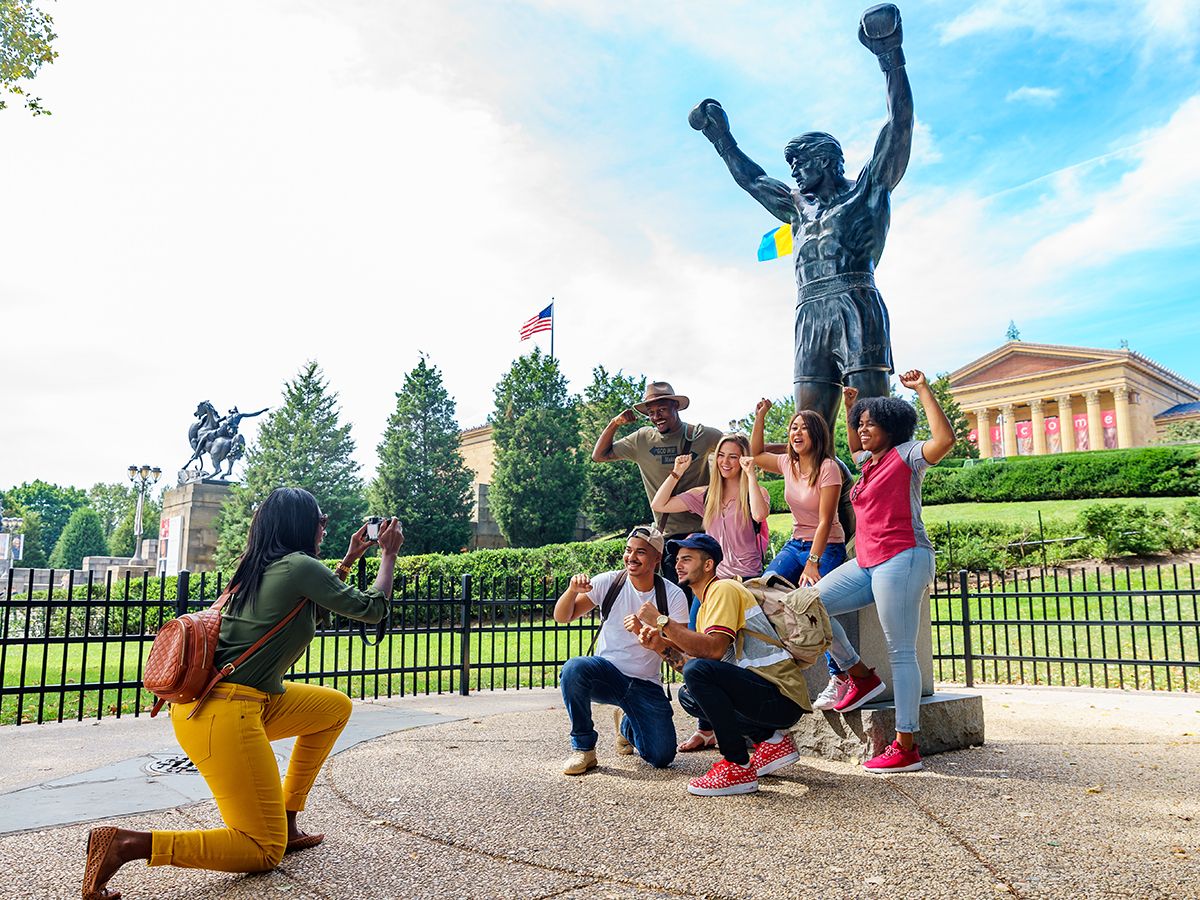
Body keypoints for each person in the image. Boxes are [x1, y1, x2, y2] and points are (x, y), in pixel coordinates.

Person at [81, 488, 403, 900]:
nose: (324, 526)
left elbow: (316, 605)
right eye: (320, 519)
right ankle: (128, 845)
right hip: (224, 714)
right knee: (261, 850)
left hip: (239, 702)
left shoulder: (262, 567)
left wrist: (350, 559)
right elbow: (372, 608)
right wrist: (387, 555)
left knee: (334, 707)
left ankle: (286, 820)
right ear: (300, 524)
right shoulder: (298, 567)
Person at [688, 3, 913, 433]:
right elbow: (753, 181)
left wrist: (889, 55)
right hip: (809, 311)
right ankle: (825, 500)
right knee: (808, 431)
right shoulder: (797, 206)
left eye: (800, 163)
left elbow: (899, 123)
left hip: (855, 302)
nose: (792, 173)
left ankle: (877, 496)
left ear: (826, 160)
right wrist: (721, 137)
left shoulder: (868, 189)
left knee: (872, 426)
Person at [814, 369, 955, 773]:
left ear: (890, 427)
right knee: (808, 606)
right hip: (866, 562)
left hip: (904, 558)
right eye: (859, 426)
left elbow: (944, 441)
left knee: (901, 651)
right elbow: (853, 439)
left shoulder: (907, 454)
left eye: (869, 424)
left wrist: (923, 390)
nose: (861, 431)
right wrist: (849, 408)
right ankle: (858, 673)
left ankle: (905, 745)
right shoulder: (868, 464)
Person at [629, 535, 812, 796]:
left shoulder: (722, 590)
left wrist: (662, 621)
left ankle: (737, 765)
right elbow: (696, 671)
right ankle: (771, 742)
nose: (679, 565)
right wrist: (659, 644)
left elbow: (713, 651)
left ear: (708, 565)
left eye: (687, 559)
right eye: (678, 559)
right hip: (765, 695)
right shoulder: (704, 606)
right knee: (689, 695)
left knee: (697, 674)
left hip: (780, 694)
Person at [650, 432, 770, 752]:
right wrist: (676, 471)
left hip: (746, 584)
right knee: (694, 650)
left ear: (743, 458)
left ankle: (754, 727)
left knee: (743, 657)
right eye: (721, 455)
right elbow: (659, 503)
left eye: (733, 456)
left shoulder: (752, 491)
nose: (726, 462)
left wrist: (751, 473)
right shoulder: (706, 495)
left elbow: (760, 514)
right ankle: (706, 728)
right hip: (712, 585)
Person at [552, 525, 688, 775]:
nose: (631, 557)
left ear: (657, 558)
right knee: (574, 668)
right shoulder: (609, 582)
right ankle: (584, 749)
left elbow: (681, 655)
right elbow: (563, 616)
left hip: (646, 683)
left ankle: (626, 726)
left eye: (641, 552)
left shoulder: (673, 596)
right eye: (628, 550)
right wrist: (572, 591)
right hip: (607, 676)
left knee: (661, 756)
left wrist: (646, 631)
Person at [751, 396, 852, 711]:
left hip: (827, 546)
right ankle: (777, 672)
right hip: (795, 544)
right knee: (762, 594)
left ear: (817, 435)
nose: (796, 433)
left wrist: (813, 563)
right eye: (793, 428)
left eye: (804, 428)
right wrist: (760, 416)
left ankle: (840, 677)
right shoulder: (787, 463)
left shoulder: (828, 468)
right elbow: (755, 454)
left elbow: (825, 521)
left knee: (813, 607)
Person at [591, 381, 722, 582]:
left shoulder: (702, 435)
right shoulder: (642, 439)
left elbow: (740, 452)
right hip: (669, 537)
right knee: (677, 604)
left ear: (675, 407)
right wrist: (614, 423)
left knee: (709, 602)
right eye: (651, 413)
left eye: (662, 410)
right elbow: (599, 455)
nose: (656, 417)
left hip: (705, 533)